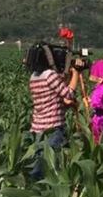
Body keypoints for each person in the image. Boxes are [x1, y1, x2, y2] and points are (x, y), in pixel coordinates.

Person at [28, 43, 79, 179]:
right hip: (52, 128)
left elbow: (52, 98)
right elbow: (69, 94)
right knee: (51, 166)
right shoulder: (50, 75)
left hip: (38, 127)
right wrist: (76, 74)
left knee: (39, 163)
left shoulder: (34, 76)